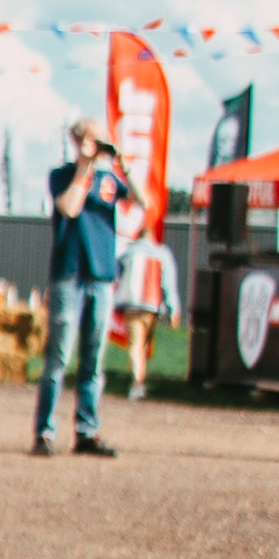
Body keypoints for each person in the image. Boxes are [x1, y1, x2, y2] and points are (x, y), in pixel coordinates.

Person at [33, 115, 140, 458]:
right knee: (59, 357)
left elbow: (143, 202)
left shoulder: (110, 179)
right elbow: (69, 207)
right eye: (90, 139)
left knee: (93, 360)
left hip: (101, 275)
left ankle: (87, 431)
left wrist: (122, 164)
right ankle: (44, 432)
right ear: (77, 141)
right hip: (69, 274)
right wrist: (85, 167)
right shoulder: (62, 175)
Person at [114, 217, 180, 401]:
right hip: (151, 306)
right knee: (143, 344)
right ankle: (139, 381)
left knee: (135, 344)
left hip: (131, 305)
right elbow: (169, 283)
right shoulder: (161, 253)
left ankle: (137, 383)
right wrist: (173, 309)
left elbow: (116, 278)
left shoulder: (127, 254)